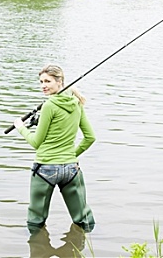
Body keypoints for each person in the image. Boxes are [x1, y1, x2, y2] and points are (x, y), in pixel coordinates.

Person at [14, 64, 96, 233]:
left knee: (36, 220)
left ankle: (37, 246)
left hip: (45, 169)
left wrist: (21, 127)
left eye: (48, 81)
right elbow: (90, 138)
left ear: (60, 82)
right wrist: (70, 155)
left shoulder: (49, 105)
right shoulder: (77, 104)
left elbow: (36, 142)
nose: (43, 85)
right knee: (84, 219)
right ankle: (90, 247)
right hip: (72, 169)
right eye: (41, 81)